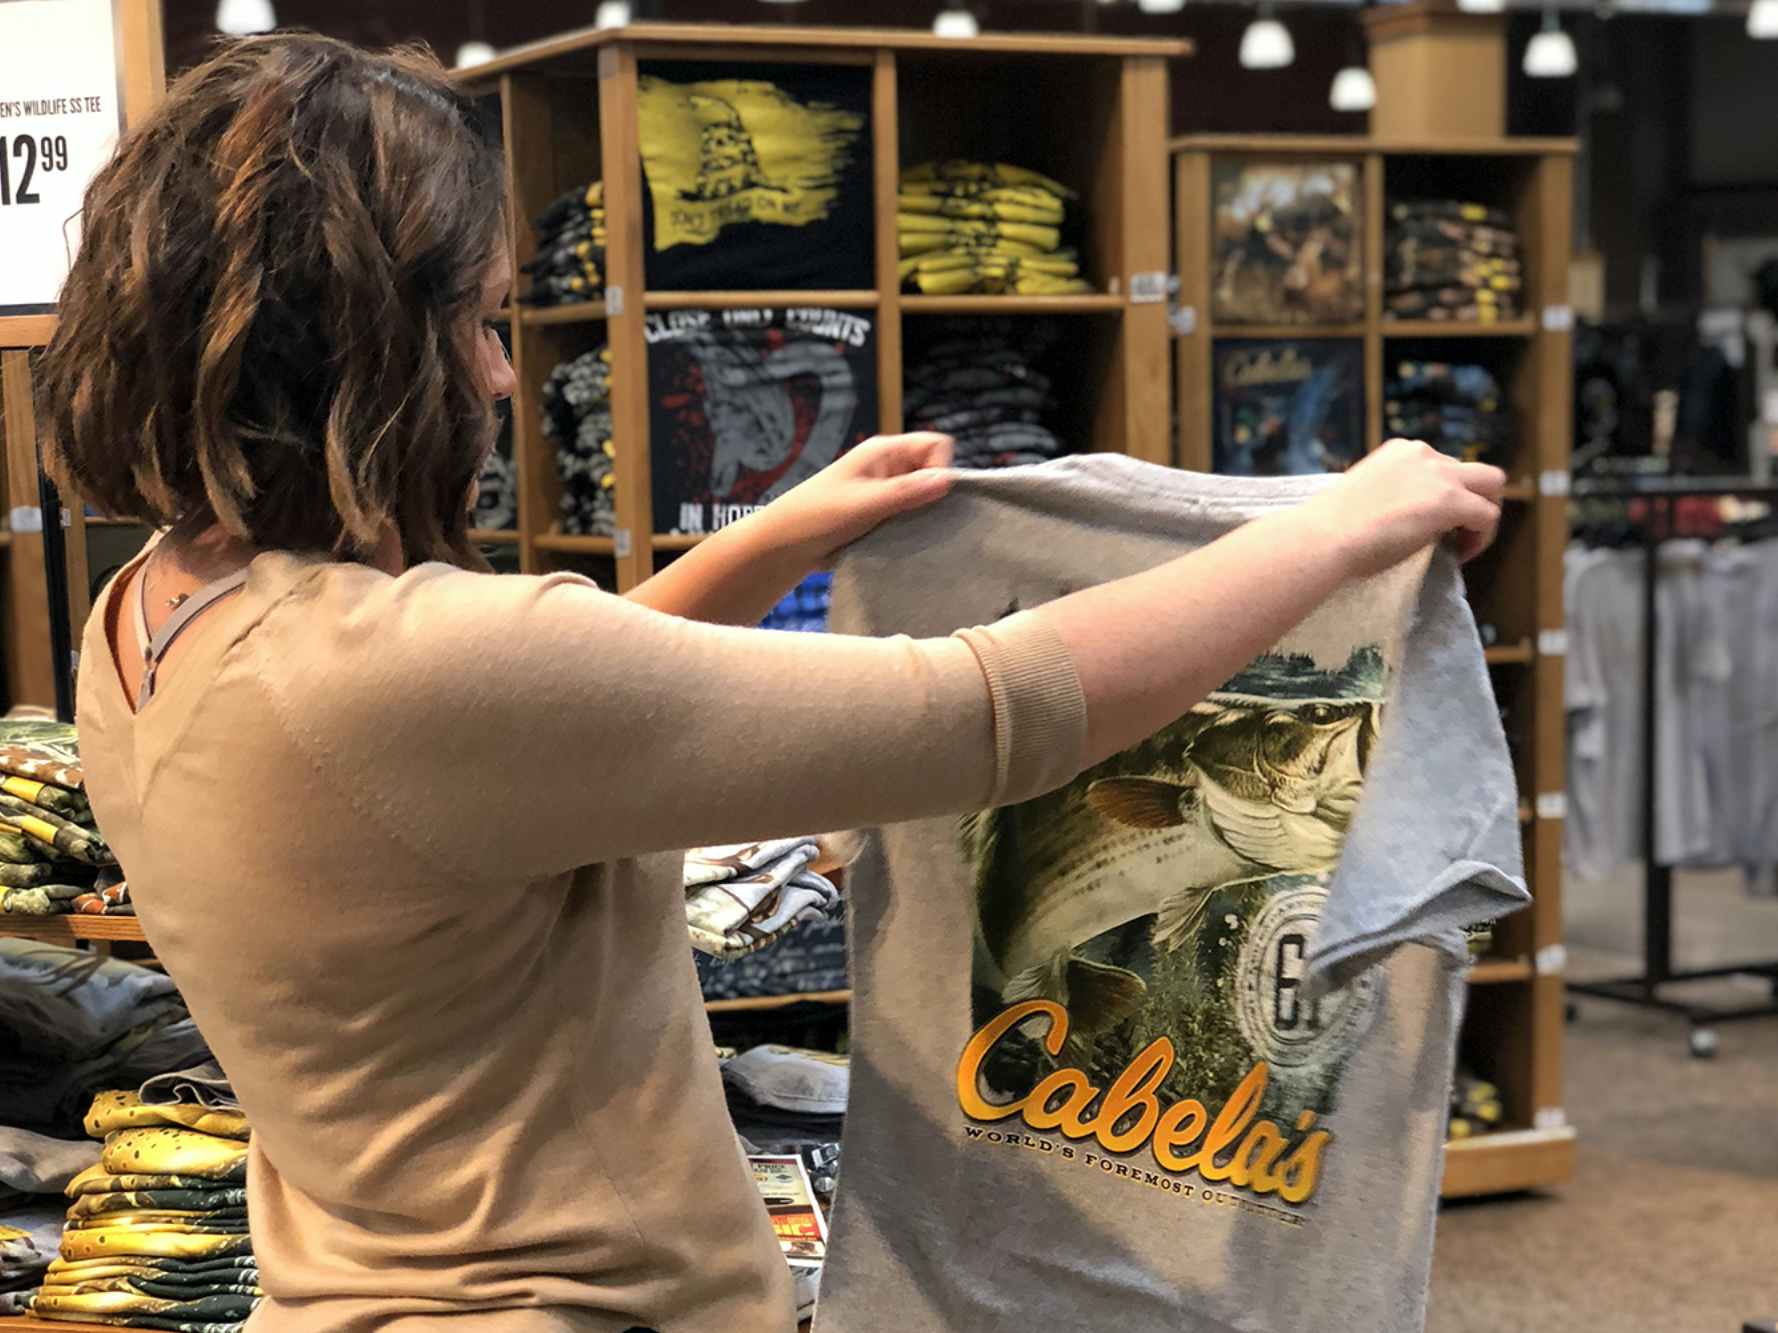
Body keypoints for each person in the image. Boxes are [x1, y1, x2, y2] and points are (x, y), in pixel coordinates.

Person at [35, 33, 1504, 1333]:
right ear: (364, 344)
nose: (495, 376)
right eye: (479, 323)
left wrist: (784, 526)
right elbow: (999, 710)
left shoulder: (155, 615)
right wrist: (1335, 528)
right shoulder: (405, 666)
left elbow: (516, 728)